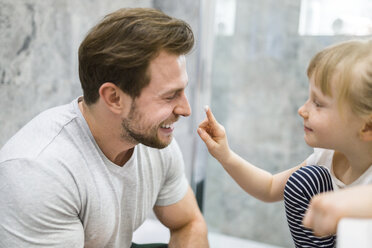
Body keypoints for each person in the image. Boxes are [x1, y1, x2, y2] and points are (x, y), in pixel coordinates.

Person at [0, 8, 209, 248]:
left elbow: (189, 222)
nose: (185, 109)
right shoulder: (39, 173)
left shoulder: (154, 141)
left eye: (183, 91)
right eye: (170, 96)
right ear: (114, 98)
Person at [197, 39, 372, 248]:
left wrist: (351, 202)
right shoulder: (325, 158)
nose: (302, 110)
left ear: (367, 127)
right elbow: (269, 187)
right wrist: (225, 155)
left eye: (318, 103)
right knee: (305, 180)